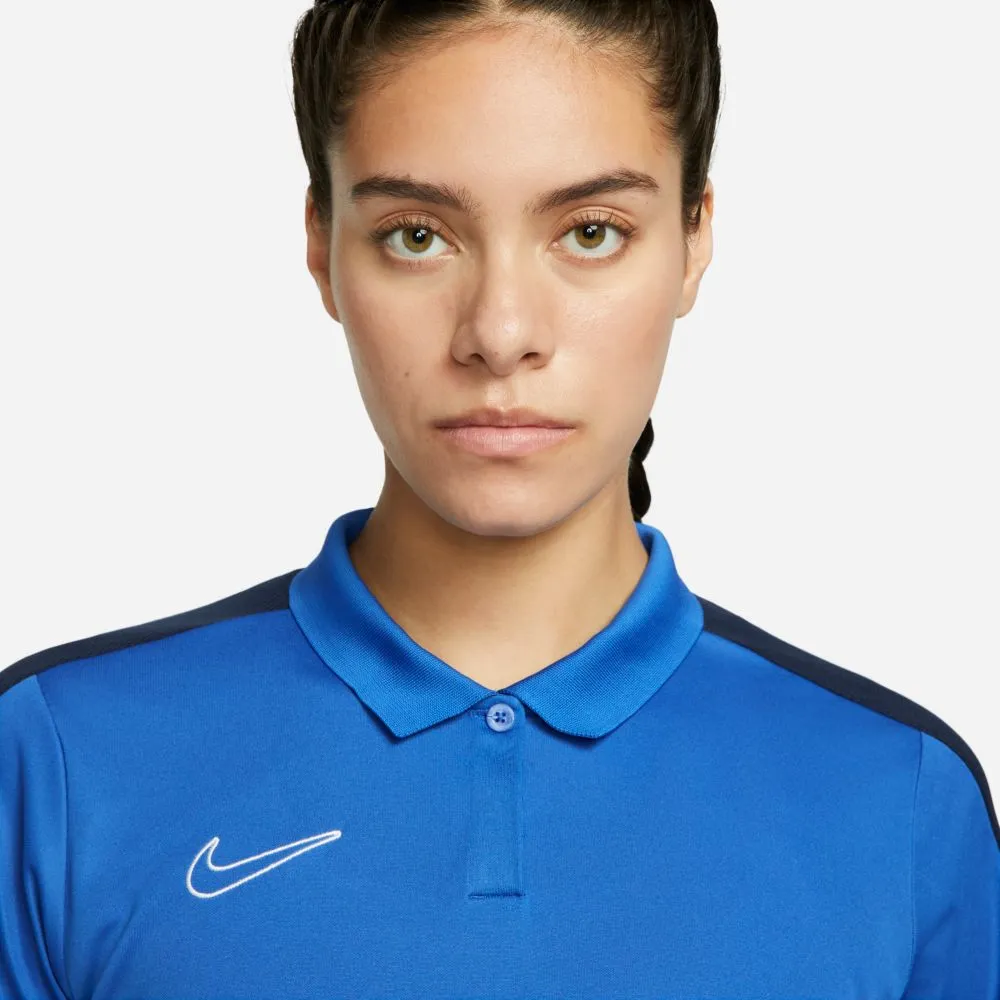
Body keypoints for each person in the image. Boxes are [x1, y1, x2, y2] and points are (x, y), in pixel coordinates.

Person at [2, 0, 997, 996]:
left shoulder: (899, 801)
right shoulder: (60, 763)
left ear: (694, 238)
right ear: (322, 246)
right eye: (417, 236)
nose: (501, 332)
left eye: (591, 232)